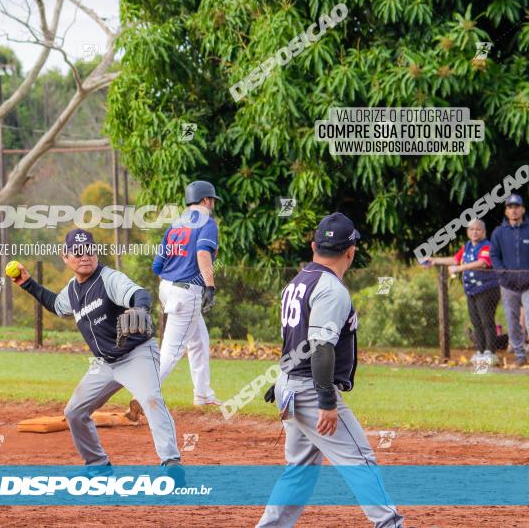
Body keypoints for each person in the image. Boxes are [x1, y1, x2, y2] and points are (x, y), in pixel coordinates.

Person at [256, 213, 404, 528]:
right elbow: (320, 346)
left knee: (299, 471)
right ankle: (390, 524)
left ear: (314, 246)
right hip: (311, 389)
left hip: (293, 383)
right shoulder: (331, 289)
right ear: (351, 251)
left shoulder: (297, 282)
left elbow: (293, 339)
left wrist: (284, 380)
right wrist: (326, 401)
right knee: (360, 461)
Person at [9, 228, 182, 475]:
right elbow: (57, 306)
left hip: (136, 354)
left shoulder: (109, 278)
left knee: (151, 398)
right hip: (104, 363)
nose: (85, 256)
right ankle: (98, 466)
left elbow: (138, 293)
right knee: (74, 412)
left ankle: (171, 462)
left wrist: (141, 308)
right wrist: (27, 283)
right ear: (65, 257)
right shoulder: (72, 289)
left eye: (89, 250)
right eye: (78, 252)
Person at [151, 180, 221, 406]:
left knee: (199, 341)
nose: (212, 204)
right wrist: (209, 286)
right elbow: (203, 254)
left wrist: (170, 287)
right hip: (186, 291)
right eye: (211, 200)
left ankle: (203, 395)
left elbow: (157, 266)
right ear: (205, 200)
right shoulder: (207, 222)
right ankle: (145, 393)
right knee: (172, 349)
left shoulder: (176, 224)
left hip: (168, 288)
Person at [422, 219, 500, 366]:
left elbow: (482, 263)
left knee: (486, 321)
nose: (474, 232)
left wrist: (460, 269)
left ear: (483, 232)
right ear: (467, 232)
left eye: (478, 229)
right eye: (471, 229)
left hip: (487, 289)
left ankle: (491, 352)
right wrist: (435, 260)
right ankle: (480, 351)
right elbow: (455, 259)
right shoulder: (467, 246)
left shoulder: (487, 246)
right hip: (471, 290)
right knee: (476, 321)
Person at [489, 194, 529, 367]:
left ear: (523, 209)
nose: (514, 210)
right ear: (506, 211)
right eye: (510, 207)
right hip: (508, 285)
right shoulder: (499, 233)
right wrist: (502, 274)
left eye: (517, 206)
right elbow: (494, 255)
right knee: (512, 321)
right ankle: (520, 355)